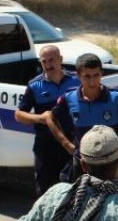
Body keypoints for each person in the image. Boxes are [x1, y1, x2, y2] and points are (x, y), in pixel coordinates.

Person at [49, 54, 118, 182]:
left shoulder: (115, 97)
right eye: (87, 76)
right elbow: (50, 118)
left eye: (96, 75)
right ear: (78, 75)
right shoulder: (69, 98)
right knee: (78, 201)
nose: (92, 82)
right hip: (80, 165)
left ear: (101, 73)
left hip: (109, 168)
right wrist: (65, 143)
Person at [15, 45, 79, 197]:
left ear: (61, 60)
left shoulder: (76, 81)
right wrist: (41, 118)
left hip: (71, 145)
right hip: (46, 149)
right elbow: (18, 114)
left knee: (73, 193)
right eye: (44, 61)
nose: (48, 65)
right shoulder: (35, 86)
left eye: (52, 60)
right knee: (45, 194)